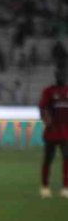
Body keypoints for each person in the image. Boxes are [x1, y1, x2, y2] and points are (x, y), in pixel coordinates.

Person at [38, 68, 68, 198]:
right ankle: (45, 187)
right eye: (59, 75)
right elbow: (42, 108)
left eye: (63, 75)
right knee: (48, 159)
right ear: (55, 77)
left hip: (66, 133)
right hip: (52, 132)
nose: (61, 78)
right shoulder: (49, 91)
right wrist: (47, 122)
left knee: (67, 158)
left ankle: (65, 188)